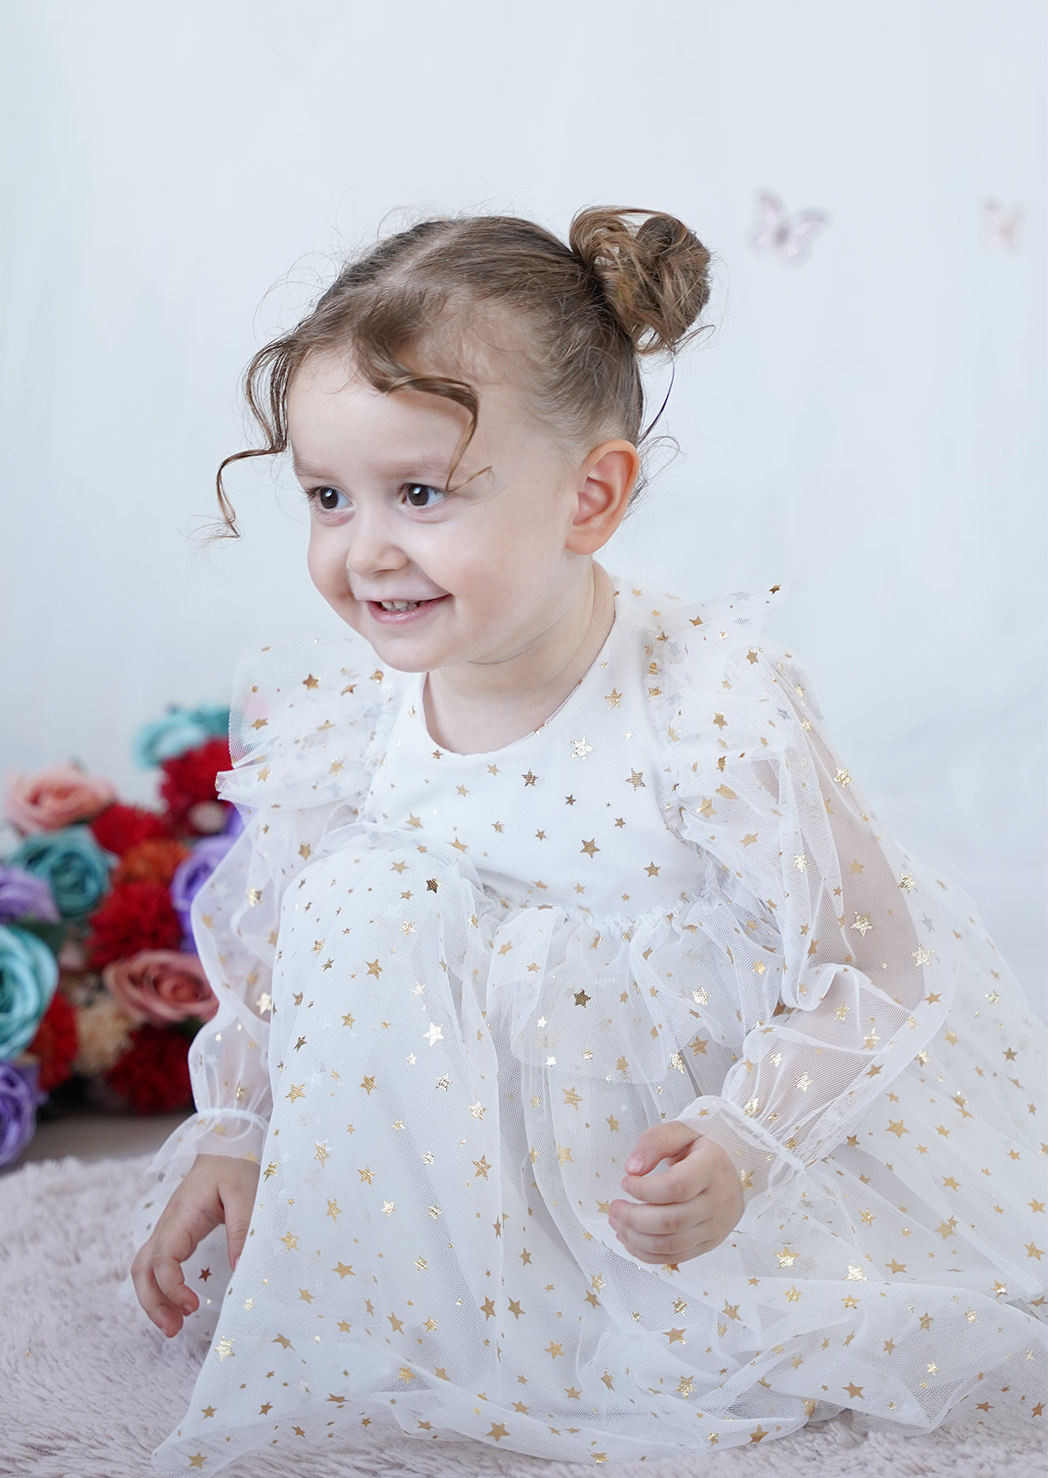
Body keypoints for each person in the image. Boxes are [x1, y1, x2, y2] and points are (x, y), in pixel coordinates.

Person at [131, 208, 1047, 1470]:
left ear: (591, 495)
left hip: (658, 1162)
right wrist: (242, 1131)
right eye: (329, 498)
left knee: (736, 1337)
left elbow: (875, 965)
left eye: (420, 494)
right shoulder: (352, 716)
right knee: (356, 895)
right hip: (455, 1160)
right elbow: (283, 950)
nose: (366, 550)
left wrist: (746, 1140)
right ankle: (457, 1280)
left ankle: (609, 1289)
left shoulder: (706, 707)